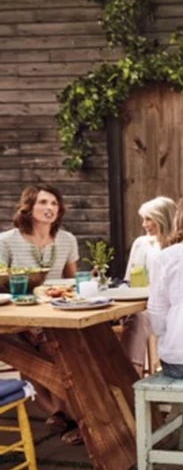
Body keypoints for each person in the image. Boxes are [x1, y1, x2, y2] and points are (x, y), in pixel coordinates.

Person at [0, 185, 82, 444]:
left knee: (52, 349)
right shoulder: (6, 241)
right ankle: (64, 416)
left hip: (57, 314)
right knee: (30, 352)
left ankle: (59, 415)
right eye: (43, 203)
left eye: (55, 204)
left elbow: (71, 281)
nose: (50, 208)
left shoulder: (67, 240)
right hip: (18, 314)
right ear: (29, 208)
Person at [147, 194, 183, 380]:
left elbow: (156, 313)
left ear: (178, 220)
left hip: (178, 362)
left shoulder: (165, 257)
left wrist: (169, 336)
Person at [121, 196, 176, 376]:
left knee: (138, 319)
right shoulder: (141, 244)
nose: (144, 224)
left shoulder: (179, 246)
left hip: (169, 307)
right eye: (143, 219)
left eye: (148, 219)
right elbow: (130, 279)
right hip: (142, 302)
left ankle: (130, 375)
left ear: (163, 218)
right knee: (135, 317)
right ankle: (127, 373)